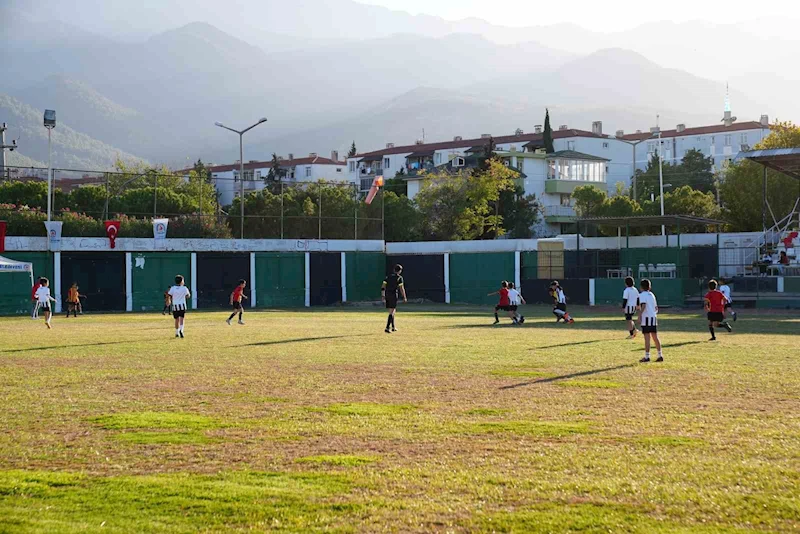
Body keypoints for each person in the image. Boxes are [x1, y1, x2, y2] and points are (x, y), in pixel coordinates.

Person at [638, 279, 662, 362]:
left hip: (647, 318)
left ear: (641, 287)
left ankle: (647, 356)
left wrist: (640, 314)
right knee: (655, 337)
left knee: (647, 338)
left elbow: (643, 305)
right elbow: (656, 308)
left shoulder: (642, 295)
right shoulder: (652, 295)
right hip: (653, 318)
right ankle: (660, 355)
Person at [381, 264, 407, 333]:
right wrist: (404, 297)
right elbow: (402, 288)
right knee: (391, 312)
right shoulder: (399, 278)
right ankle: (387, 328)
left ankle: (393, 327)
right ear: (400, 271)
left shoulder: (388, 277)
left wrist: (383, 296)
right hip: (393, 295)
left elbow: (383, 286)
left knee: (392, 311)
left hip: (387, 295)